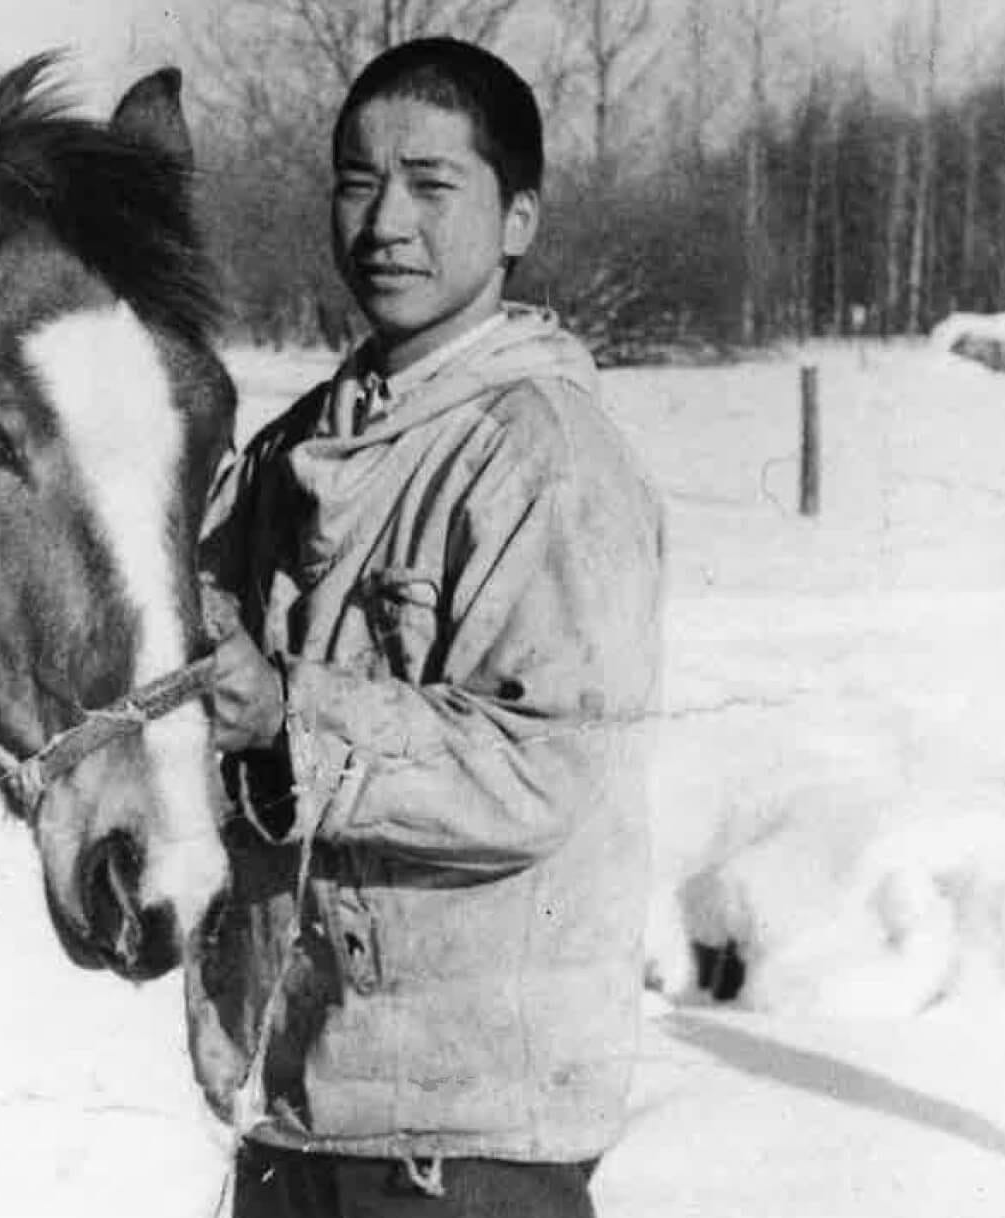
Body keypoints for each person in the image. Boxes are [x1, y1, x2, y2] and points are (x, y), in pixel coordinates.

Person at [188, 36, 666, 1218]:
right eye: (357, 180)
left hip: (464, 1148)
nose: (384, 221)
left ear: (516, 220)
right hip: (301, 1113)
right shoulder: (286, 453)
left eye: (430, 184)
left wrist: (285, 713)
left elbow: (540, 765)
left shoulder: (539, 455)